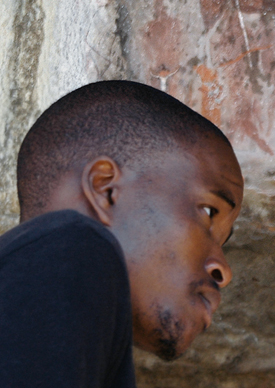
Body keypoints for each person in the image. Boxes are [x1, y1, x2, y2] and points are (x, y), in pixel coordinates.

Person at [0, 80, 244, 387]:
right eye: (209, 212)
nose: (224, 271)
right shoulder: (69, 248)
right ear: (106, 189)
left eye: (223, 241)